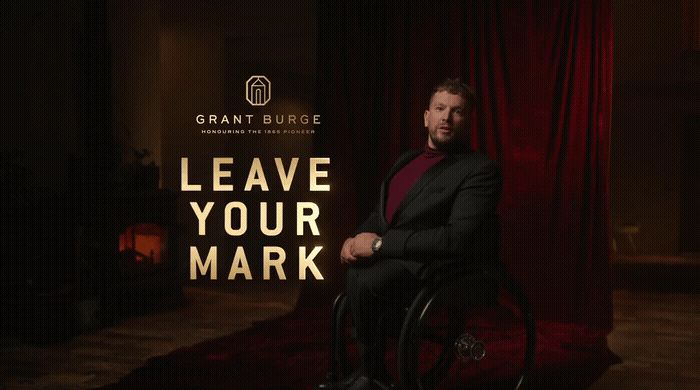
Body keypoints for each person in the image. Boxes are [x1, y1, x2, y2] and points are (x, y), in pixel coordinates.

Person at [329, 78, 502, 390]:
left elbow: (455, 239)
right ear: (426, 117)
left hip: (440, 263)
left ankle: (372, 375)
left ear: (468, 120)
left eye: (457, 111)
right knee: (355, 276)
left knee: (367, 280)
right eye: (439, 108)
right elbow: (383, 214)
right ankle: (366, 372)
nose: (446, 117)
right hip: (401, 253)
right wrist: (356, 238)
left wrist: (379, 245)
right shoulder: (407, 160)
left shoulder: (480, 169)